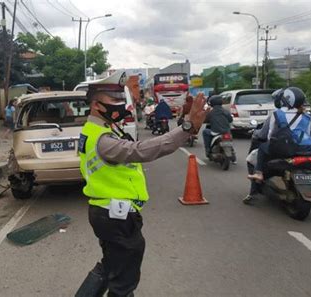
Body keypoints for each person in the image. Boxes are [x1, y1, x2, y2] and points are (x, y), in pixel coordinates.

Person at [75, 70, 210, 297]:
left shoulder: (98, 130)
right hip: (115, 216)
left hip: (107, 213)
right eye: (115, 100)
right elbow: (141, 151)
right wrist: (186, 128)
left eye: (122, 99)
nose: (122, 105)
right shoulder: (102, 139)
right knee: (124, 283)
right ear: (97, 105)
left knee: (111, 267)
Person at [247, 87, 311, 183]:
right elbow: (309, 135)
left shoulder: (277, 114)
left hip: (283, 149)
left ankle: (259, 173)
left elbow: (269, 136)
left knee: (262, 148)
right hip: (306, 150)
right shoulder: (307, 116)